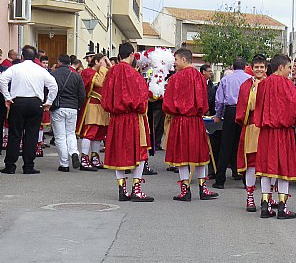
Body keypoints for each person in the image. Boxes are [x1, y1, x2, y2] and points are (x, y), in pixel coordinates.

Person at [162, 48, 218, 202]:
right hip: (196, 120)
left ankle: (185, 190)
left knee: (181, 156)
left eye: (176, 60)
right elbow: (205, 102)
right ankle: (203, 188)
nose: (175, 63)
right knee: (200, 154)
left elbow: (167, 103)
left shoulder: (175, 79)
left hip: (180, 120)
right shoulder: (200, 78)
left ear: (184, 60)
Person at [254, 54, 296, 219]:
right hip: (283, 132)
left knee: (266, 169)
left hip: (266, 132)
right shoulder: (288, 85)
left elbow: (258, 107)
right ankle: (282, 207)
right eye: (289, 68)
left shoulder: (263, 85)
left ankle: (265, 204)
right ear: (281, 67)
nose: (290, 71)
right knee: (284, 168)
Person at [101, 42, 153, 202]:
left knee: (119, 152)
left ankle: (122, 189)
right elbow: (142, 97)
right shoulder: (134, 74)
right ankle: (136, 189)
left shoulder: (111, 73)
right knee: (140, 151)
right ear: (131, 54)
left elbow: (105, 95)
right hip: (133, 118)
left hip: (116, 118)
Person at [0, 46, 58, 174]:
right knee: (32, 134)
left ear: (22, 57)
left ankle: (10, 166)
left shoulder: (15, 68)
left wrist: (7, 97)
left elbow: (2, 79)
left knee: (15, 134)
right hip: (35, 103)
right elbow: (53, 86)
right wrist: (48, 102)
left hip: (18, 102)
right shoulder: (41, 70)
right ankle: (28, 166)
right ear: (36, 58)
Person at [236, 54, 268, 212]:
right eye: (257, 67)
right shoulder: (246, 86)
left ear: (266, 68)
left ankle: (267, 197)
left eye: (262, 67)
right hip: (252, 128)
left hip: (268, 130)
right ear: (252, 68)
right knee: (252, 164)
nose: (259, 70)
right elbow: (243, 108)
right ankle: (250, 197)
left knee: (268, 165)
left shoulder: (271, 84)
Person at [213, 58, 252, 189]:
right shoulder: (249, 79)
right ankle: (245, 179)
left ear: (233, 67)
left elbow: (219, 100)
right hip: (245, 111)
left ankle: (220, 180)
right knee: (243, 145)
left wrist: (218, 115)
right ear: (245, 66)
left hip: (230, 111)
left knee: (226, 145)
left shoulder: (225, 80)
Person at [50, 54, 86, 172]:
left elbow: (48, 90)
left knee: (60, 136)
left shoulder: (53, 74)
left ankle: (64, 164)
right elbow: (82, 95)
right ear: (70, 63)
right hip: (72, 108)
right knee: (70, 133)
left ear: (59, 62)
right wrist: (77, 106)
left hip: (58, 107)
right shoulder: (76, 76)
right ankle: (74, 152)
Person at [76, 54, 111, 171]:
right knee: (90, 132)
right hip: (92, 105)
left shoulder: (104, 71)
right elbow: (99, 83)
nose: (105, 63)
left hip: (102, 106)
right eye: (103, 61)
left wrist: (110, 67)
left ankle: (94, 157)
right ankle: (84, 158)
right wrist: (103, 69)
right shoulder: (88, 72)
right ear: (96, 61)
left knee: (99, 134)